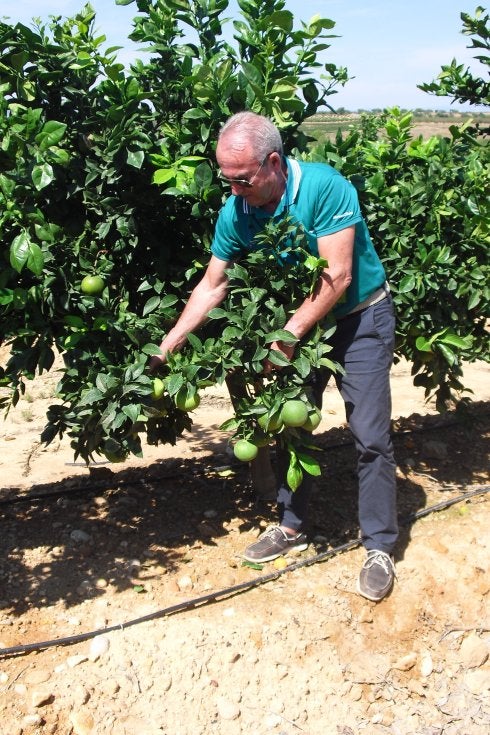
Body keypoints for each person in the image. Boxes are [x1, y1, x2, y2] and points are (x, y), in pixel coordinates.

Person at [151, 111, 398, 602]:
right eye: (226, 179)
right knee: (290, 426)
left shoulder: (325, 188)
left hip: (358, 320)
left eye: (241, 180)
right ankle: (291, 524)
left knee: (369, 436)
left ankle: (379, 546)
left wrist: (286, 335)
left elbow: (338, 276)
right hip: (299, 326)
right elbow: (213, 282)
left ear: (272, 163)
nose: (233, 189)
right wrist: (175, 334)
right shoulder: (236, 211)